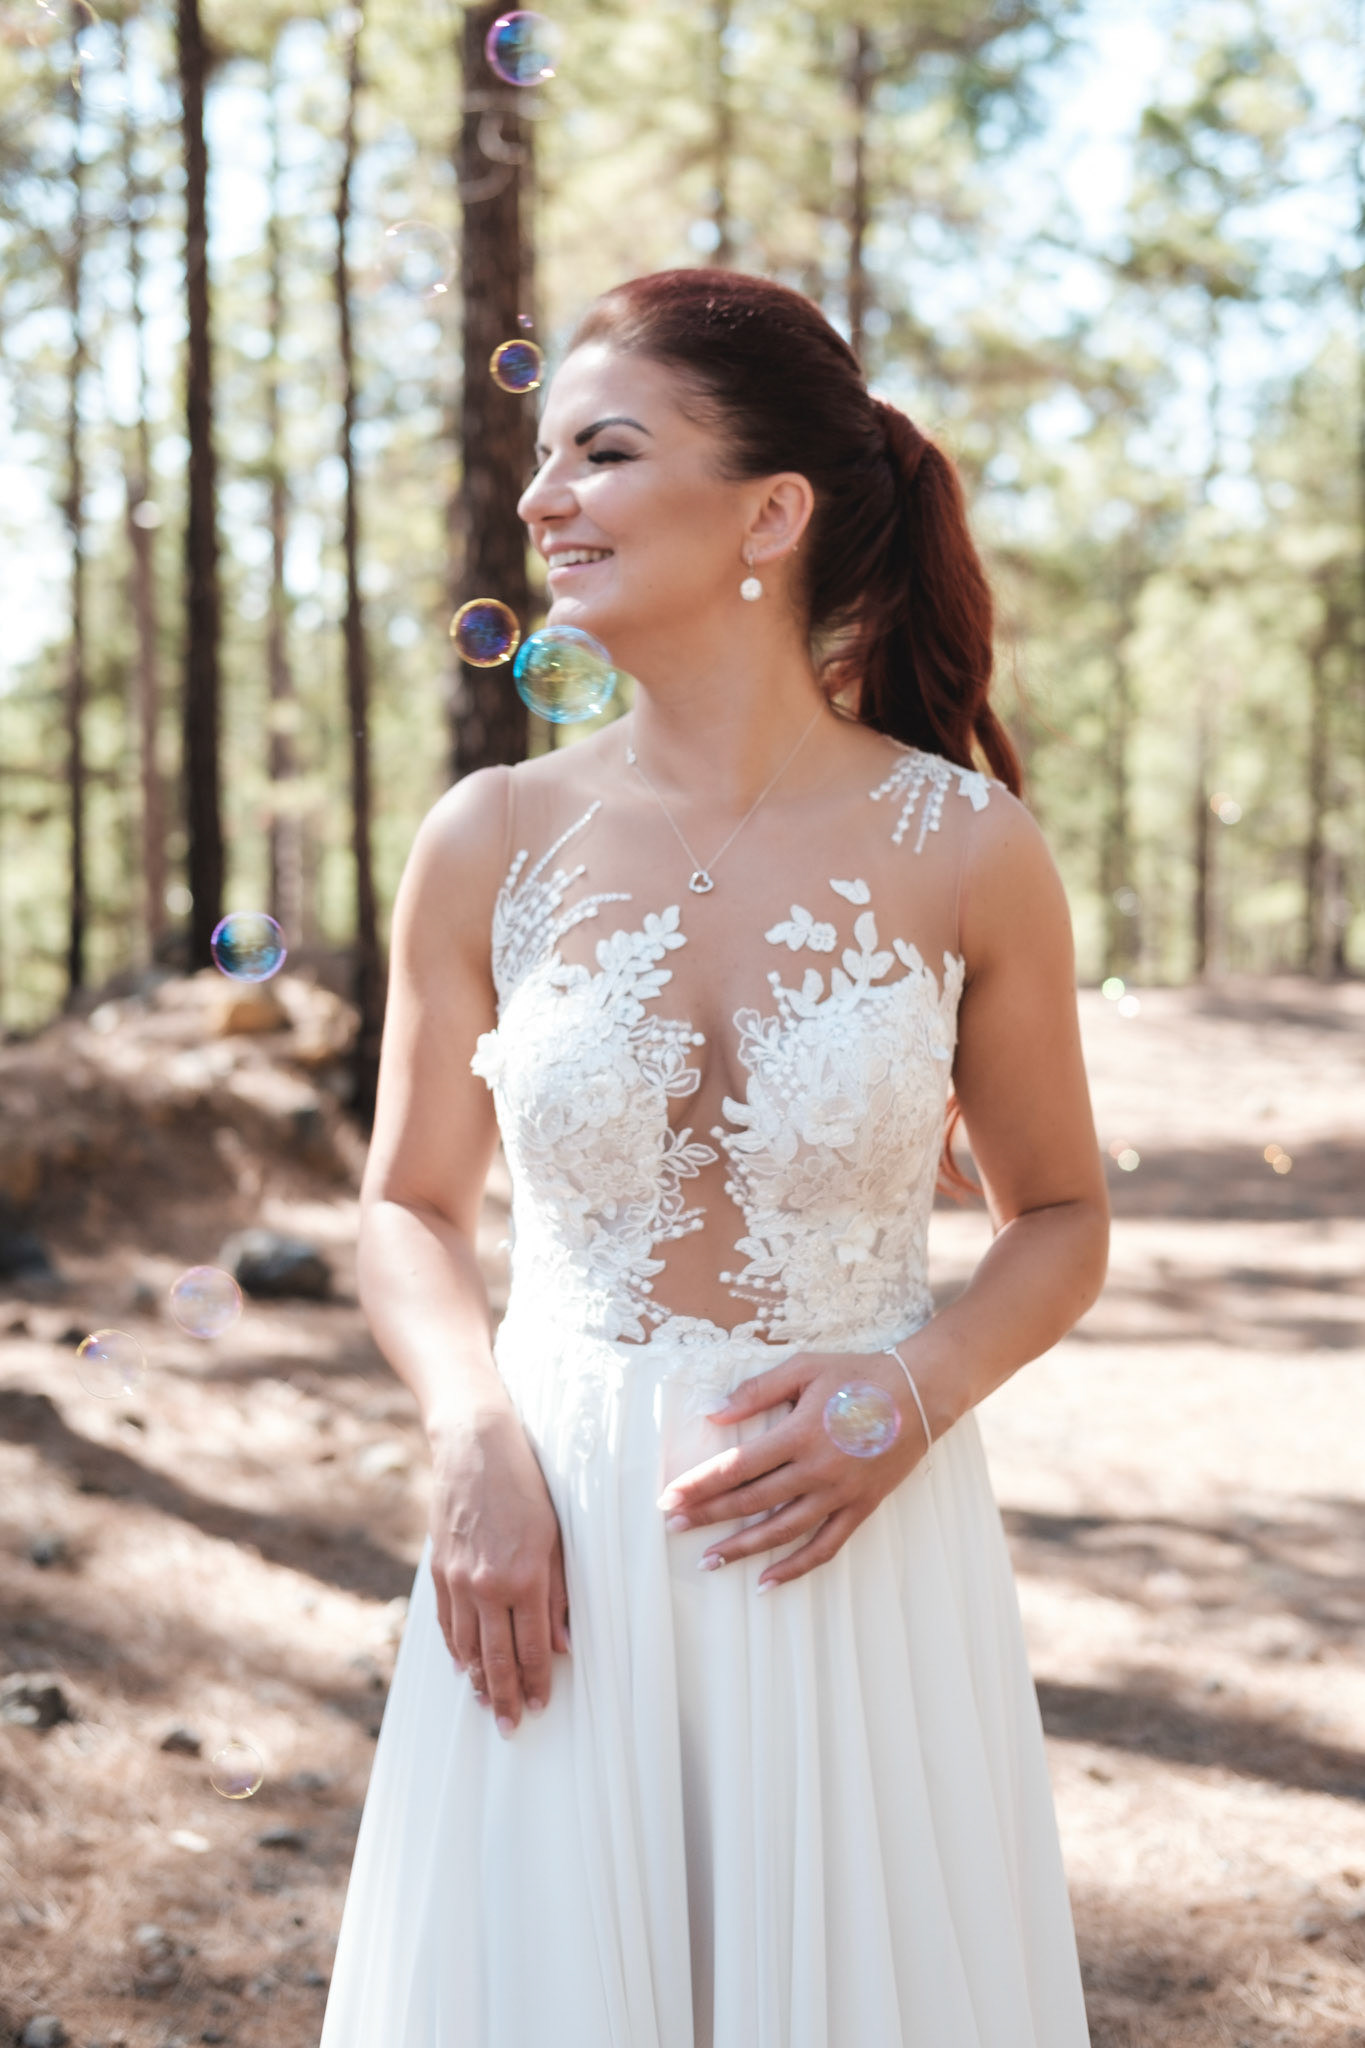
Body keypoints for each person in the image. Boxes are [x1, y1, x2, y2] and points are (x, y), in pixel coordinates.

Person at [319, 268, 1109, 2048]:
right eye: (545, 457)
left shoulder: (965, 845)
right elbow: (408, 1207)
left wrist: (910, 1394)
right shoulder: (491, 835)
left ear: (769, 515)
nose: (543, 498)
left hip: (848, 1538)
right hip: (554, 1527)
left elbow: (1061, 1217)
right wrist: (470, 1436)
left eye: (602, 453)